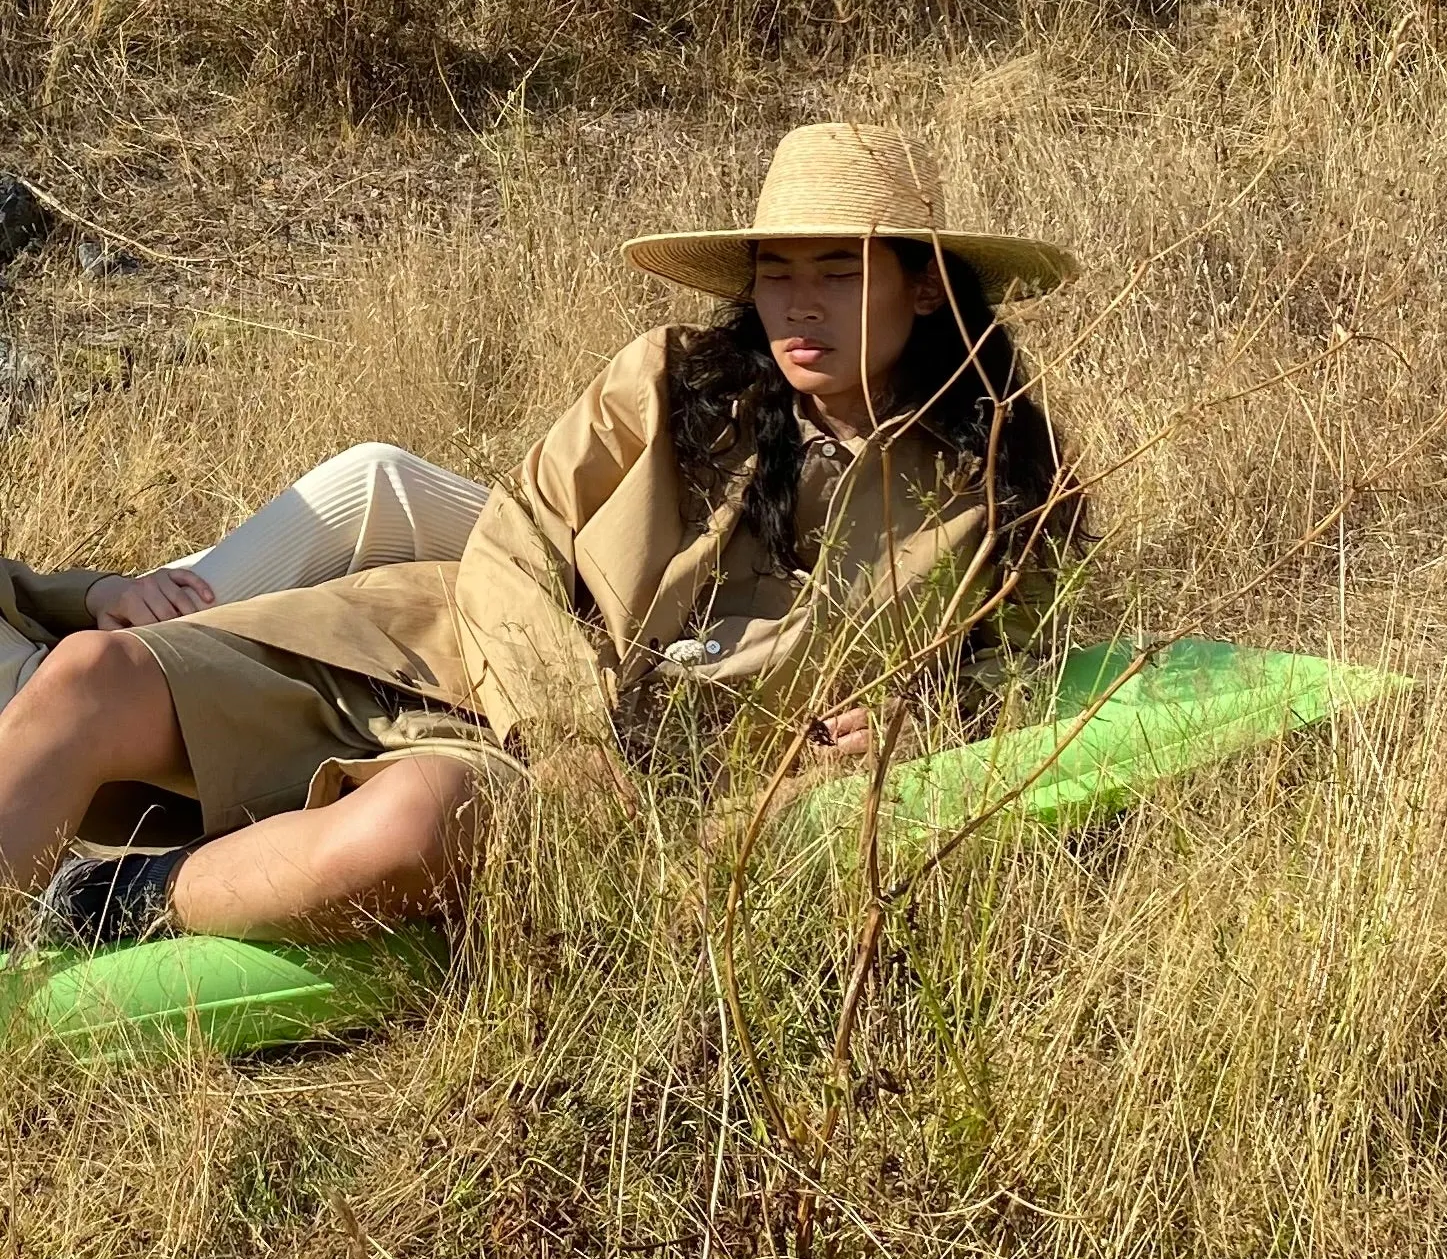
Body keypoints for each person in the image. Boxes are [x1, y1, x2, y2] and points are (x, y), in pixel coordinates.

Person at [0, 123, 1078, 949]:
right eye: (778, 271)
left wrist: (917, 719)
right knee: (94, 674)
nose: (800, 306)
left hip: (640, 772)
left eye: (839, 271)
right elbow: (513, 545)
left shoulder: (996, 487)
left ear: (924, 286)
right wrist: (559, 729)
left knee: (413, 824)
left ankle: (107, 900)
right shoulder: (666, 379)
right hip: (459, 658)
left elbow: (1024, 668)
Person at [0, 445, 493, 703]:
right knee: (376, 486)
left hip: (72, 652)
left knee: (373, 493)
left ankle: (547, 567)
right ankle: (558, 548)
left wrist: (97, 593)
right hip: (73, 702)